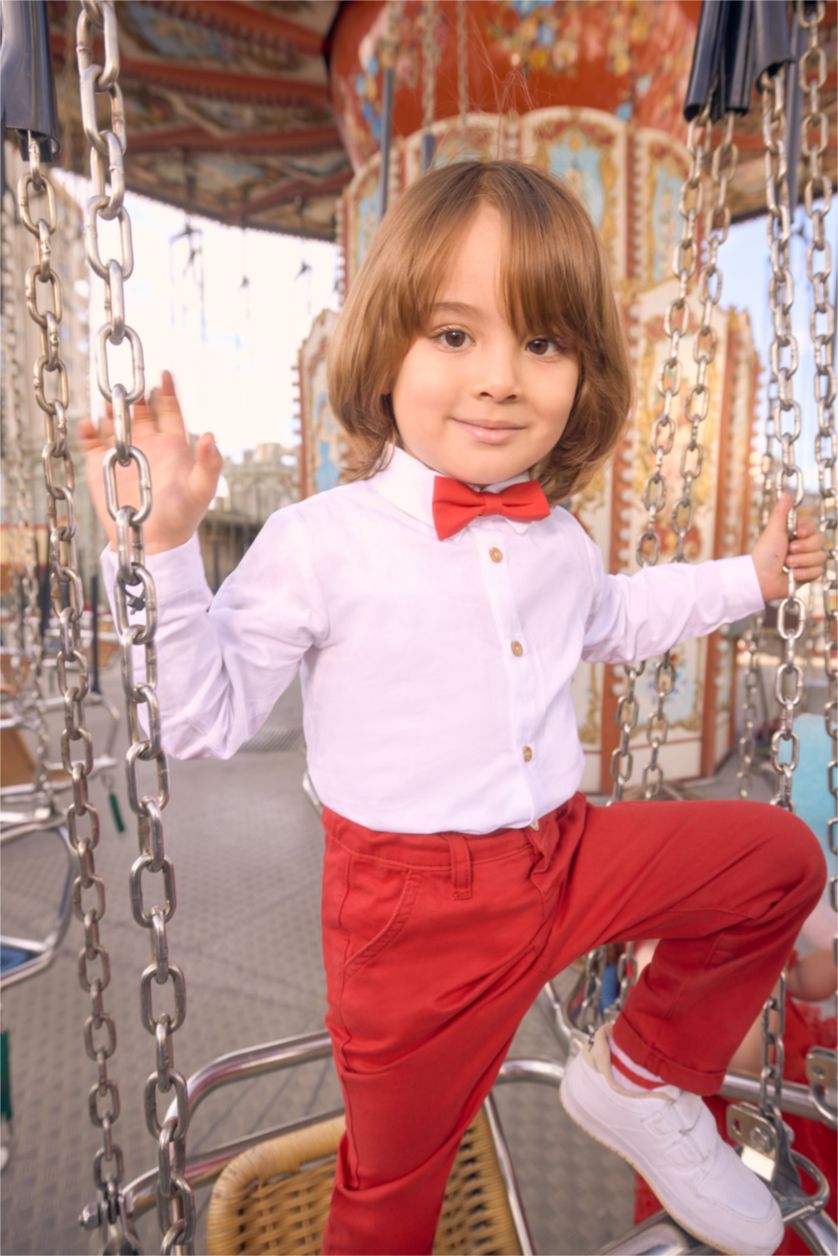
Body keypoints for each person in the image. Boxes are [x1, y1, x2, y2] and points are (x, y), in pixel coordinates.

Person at [80, 160, 828, 1256]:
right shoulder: (319, 540)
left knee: (774, 858)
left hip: (563, 856)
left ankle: (640, 1073)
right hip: (408, 915)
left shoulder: (555, 538)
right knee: (389, 1202)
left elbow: (619, 614)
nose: (500, 379)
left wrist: (750, 579)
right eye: (453, 334)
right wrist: (159, 551)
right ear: (385, 348)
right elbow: (201, 717)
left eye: (542, 342)